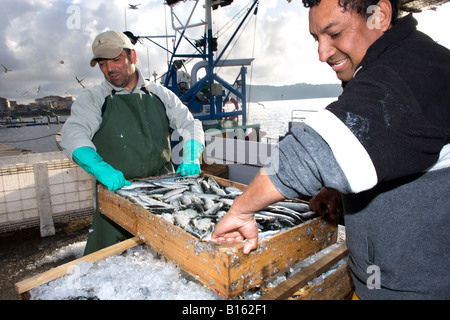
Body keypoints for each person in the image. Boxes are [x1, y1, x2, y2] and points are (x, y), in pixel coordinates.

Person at [212, 0, 450, 299]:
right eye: (316, 38)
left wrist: (241, 210)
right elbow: (391, 149)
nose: (322, 53)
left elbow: (312, 153)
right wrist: (338, 188)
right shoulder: (387, 66)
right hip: (379, 283)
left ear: (381, 15)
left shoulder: (411, 73)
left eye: (334, 33)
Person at [61, 30, 204, 255]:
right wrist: (100, 167)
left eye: (116, 59)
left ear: (132, 57)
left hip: (164, 189)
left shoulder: (160, 94)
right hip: (118, 192)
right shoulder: (93, 99)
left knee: (168, 256)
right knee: (111, 260)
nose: (109, 69)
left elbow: (189, 124)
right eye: (102, 63)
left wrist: (192, 155)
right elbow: (73, 133)